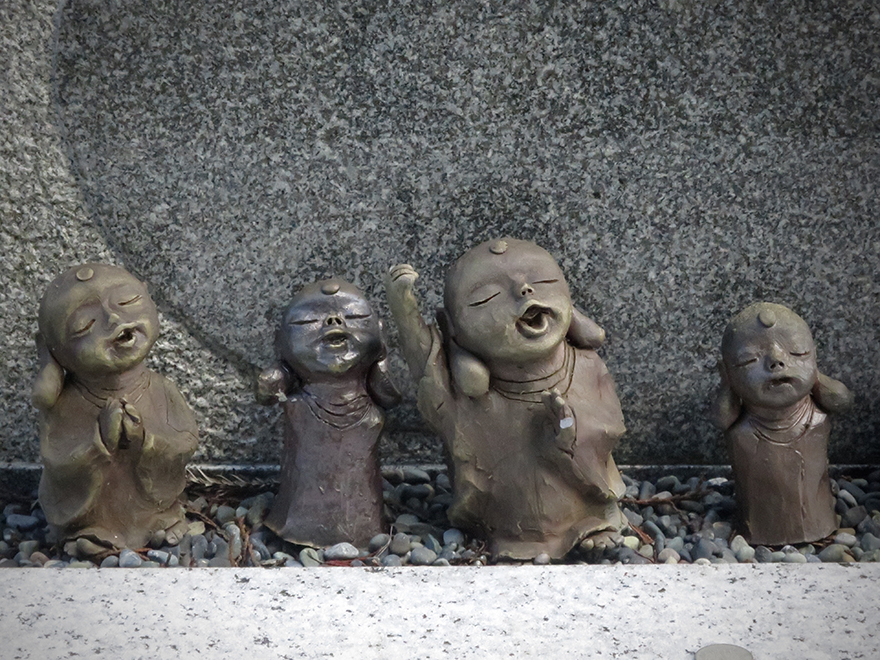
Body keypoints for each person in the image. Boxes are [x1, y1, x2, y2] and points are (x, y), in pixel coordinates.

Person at [385, 238, 626, 560]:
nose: (524, 291)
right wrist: (404, 309)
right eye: (488, 297)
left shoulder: (584, 365)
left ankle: (590, 522)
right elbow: (426, 366)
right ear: (454, 329)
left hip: (581, 500)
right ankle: (504, 531)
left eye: (543, 282)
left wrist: (569, 432)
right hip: (505, 517)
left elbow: (608, 427)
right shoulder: (469, 395)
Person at [33, 263, 197, 557]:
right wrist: (100, 443)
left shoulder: (160, 388)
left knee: (158, 504)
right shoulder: (69, 403)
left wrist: (144, 439)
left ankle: (158, 520)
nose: (115, 319)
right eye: (85, 325)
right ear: (56, 351)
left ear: (147, 296)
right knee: (91, 506)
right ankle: (89, 530)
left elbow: (185, 439)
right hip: (93, 509)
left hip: (149, 504)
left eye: (128, 302)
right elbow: (57, 458)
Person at [258, 279, 399, 548]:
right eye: (307, 321)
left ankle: (364, 527)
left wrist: (382, 359)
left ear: (379, 333)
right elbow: (266, 393)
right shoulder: (298, 395)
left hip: (360, 417)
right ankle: (298, 527)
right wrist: (273, 380)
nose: (335, 322)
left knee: (361, 487)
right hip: (310, 412)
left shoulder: (369, 390)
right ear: (281, 341)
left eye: (355, 316)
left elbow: (390, 397)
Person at [712, 302, 853, 545]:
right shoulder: (742, 432)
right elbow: (720, 418)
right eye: (749, 359)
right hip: (757, 523)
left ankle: (819, 523)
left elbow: (842, 399)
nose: (776, 361)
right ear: (727, 372)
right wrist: (727, 386)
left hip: (818, 517)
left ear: (814, 356)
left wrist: (815, 376)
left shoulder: (816, 419)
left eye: (797, 352)